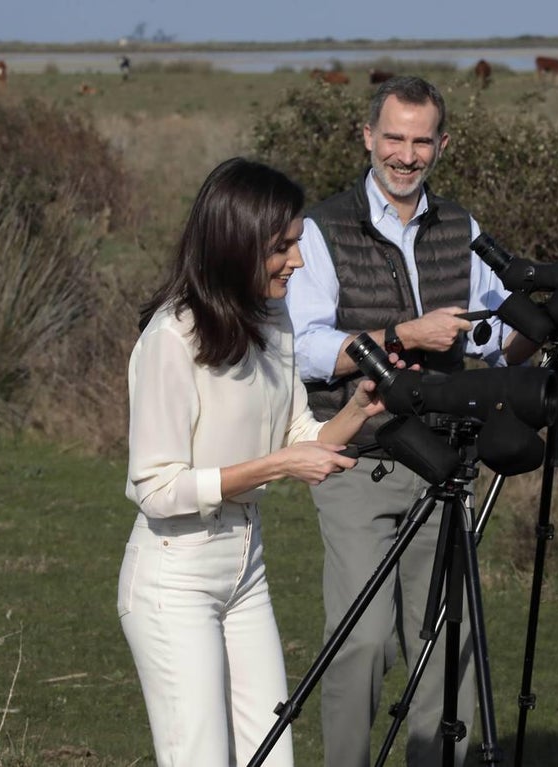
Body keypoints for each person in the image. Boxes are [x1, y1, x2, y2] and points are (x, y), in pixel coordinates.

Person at [285, 76, 538, 766]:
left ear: (442, 144)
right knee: (361, 639)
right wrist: (405, 334)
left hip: (448, 464)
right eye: (393, 137)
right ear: (367, 137)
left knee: (448, 640)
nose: (406, 154)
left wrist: (540, 324)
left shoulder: (463, 229)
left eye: (421, 140)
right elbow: (305, 347)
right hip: (357, 460)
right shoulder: (321, 227)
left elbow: (491, 337)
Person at [118, 157, 389, 767]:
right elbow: (156, 489)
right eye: (283, 247)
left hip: (246, 573)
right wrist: (275, 467)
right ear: (236, 245)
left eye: (296, 244)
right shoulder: (171, 338)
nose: (297, 261)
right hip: (174, 578)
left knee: (271, 756)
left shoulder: (274, 317)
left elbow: (298, 431)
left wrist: (358, 412)